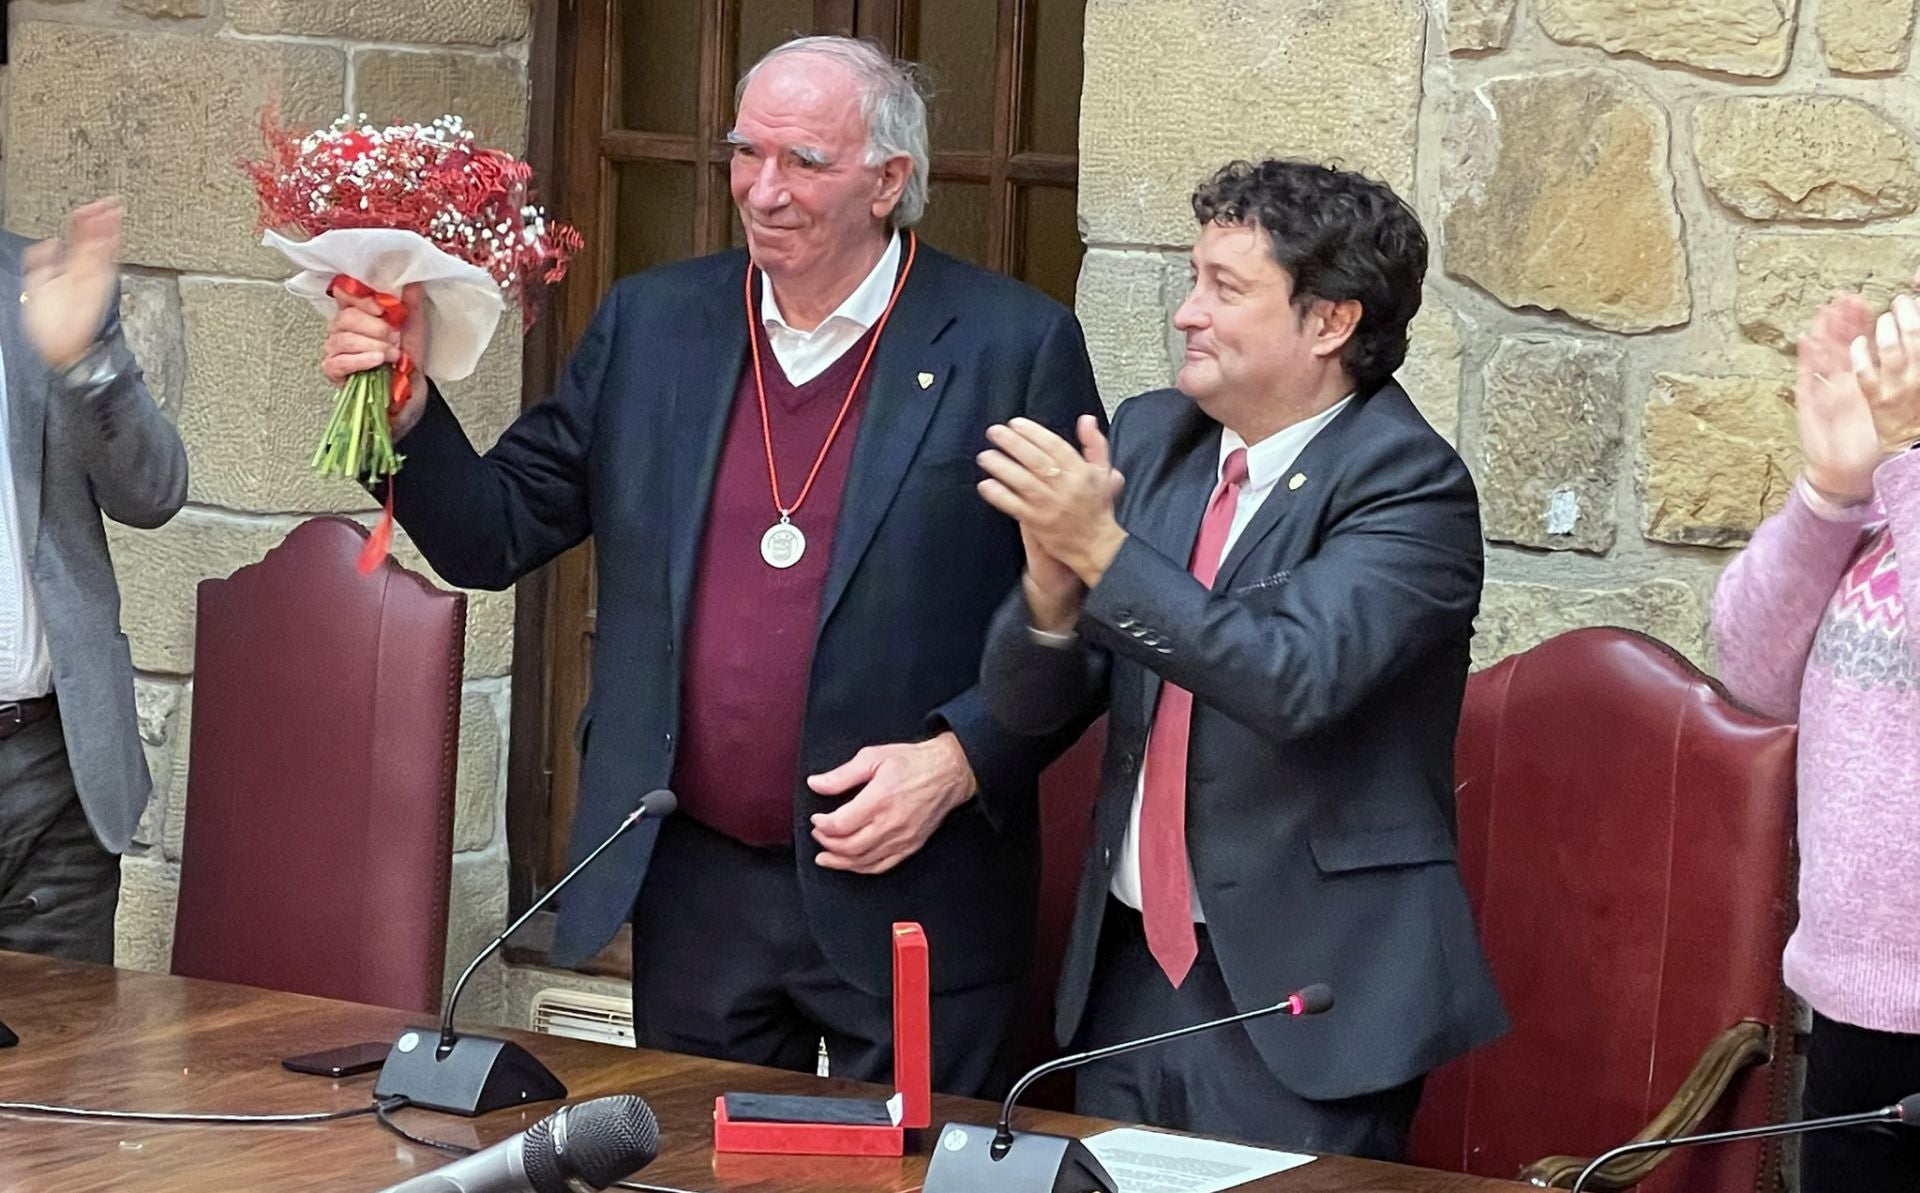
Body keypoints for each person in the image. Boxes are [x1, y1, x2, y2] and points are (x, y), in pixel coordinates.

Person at [318, 36, 1100, 1097]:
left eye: (804, 162)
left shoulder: (1013, 344)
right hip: (697, 884)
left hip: (915, 876)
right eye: (746, 152)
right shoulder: (656, 322)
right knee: (689, 1163)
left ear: (890, 182)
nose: (763, 190)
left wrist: (960, 759)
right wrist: (401, 416)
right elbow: (491, 534)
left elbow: (1086, 616)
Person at [976, 158, 1505, 1158]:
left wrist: (1103, 552)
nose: (1186, 313)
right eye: (1192, 278)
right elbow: (1031, 703)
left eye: (1225, 287)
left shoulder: (1409, 483)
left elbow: (1291, 675)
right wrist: (1051, 591)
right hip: (1131, 967)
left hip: (1308, 989)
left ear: (1329, 322)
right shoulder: (1153, 438)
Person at [1711, 282, 1920, 1192]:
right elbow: (1754, 678)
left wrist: (1904, 458)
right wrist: (1832, 490)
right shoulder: (1885, 507)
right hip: (1856, 1007)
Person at [0, 198, 189, 964]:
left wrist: (86, 363)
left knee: (64, 1075)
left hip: (53, 776)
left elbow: (154, 492)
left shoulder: (41, 285)